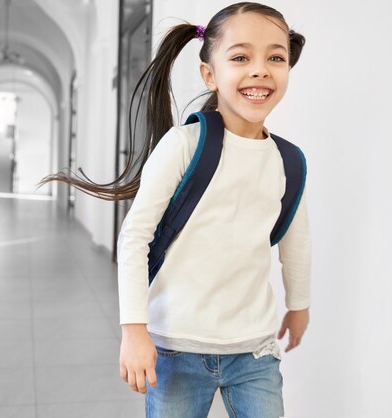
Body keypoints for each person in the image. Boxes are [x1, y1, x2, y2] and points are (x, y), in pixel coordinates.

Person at [40, 2, 311, 417]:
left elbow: (295, 240)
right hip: (176, 349)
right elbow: (135, 237)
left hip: (254, 350)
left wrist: (299, 304)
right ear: (209, 74)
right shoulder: (183, 146)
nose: (260, 70)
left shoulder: (288, 161)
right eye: (240, 57)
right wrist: (133, 330)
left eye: (275, 57)